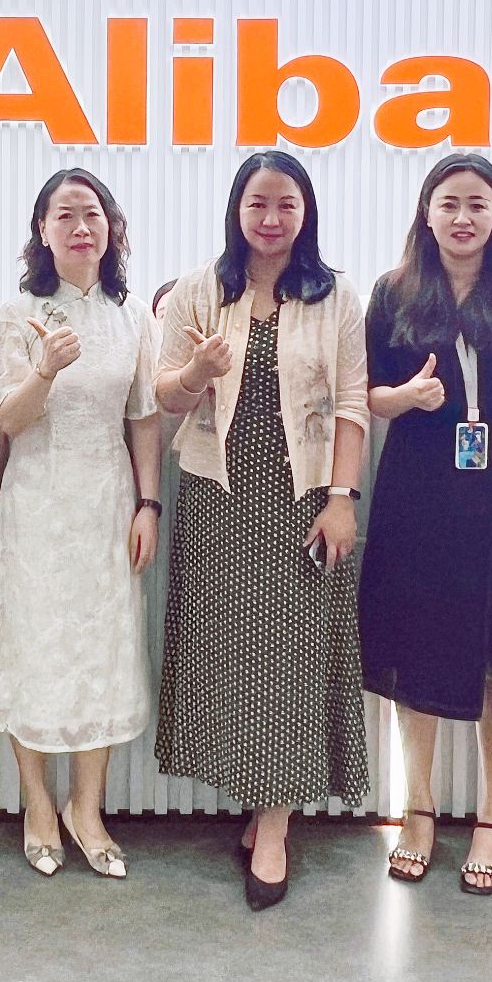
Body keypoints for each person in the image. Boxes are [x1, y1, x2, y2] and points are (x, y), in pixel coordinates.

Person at [153, 151, 369, 912]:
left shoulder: (337, 295)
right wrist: (197, 371)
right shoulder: (198, 290)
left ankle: (274, 827)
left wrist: (342, 499)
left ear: (306, 212)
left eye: (286, 205)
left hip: (303, 500)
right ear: (236, 210)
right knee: (234, 661)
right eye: (258, 204)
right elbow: (164, 397)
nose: (271, 219)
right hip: (218, 500)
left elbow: (352, 404)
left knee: (291, 660)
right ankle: (258, 799)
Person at [359, 152, 492, 895]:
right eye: (448, 202)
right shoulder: (393, 292)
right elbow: (365, 396)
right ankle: (417, 810)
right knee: (416, 650)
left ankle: (491, 818)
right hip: (418, 487)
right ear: (426, 212)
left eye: (478, 203)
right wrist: (403, 400)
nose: (462, 217)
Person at [0, 169, 161, 879]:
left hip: (108, 502)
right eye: (65, 215)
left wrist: (148, 504)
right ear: (42, 231)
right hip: (35, 503)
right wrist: (44, 370)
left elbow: (144, 415)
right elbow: (5, 421)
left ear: (111, 228)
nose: (81, 227)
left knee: (103, 649)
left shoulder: (132, 315)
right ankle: (38, 806)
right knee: (34, 646)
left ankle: (88, 807)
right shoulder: (19, 314)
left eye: (93, 214)